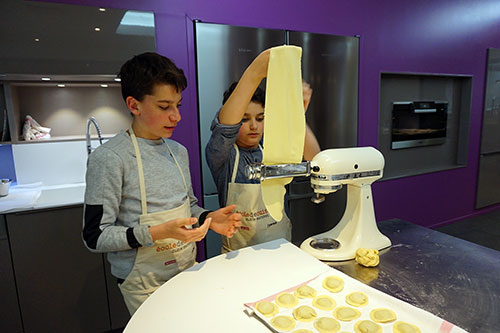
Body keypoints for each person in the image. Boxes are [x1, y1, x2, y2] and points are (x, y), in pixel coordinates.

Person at [82, 52, 242, 315]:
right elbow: (95, 235)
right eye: (164, 106)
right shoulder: (109, 158)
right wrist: (158, 232)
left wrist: (208, 218)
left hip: (186, 268)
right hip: (144, 283)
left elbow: (188, 206)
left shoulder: (177, 151)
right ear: (134, 105)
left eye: (178, 105)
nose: (176, 117)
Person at [205, 49, 321, 253]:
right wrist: (255, 71)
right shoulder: (222, 155)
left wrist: (296, 115)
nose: (253, 126)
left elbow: (315, 159)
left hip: (280, 247)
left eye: (260, 118)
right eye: (244, 119)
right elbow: (225, 129)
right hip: (239, 255)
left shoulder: (271, 145)